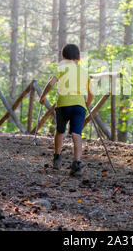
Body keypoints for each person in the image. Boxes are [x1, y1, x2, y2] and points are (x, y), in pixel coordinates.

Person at [39, 44, 93, 177]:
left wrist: (43, 96)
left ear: (63, 57)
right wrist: (87, 103)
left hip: (63, 104)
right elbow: (91, 93)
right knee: (76, 134)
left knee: (60, 131)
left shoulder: (62, 68)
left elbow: (51, 83)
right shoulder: (84, 72)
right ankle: (77, 164)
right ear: (79, 58)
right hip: (79, 106)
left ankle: (57, 157)